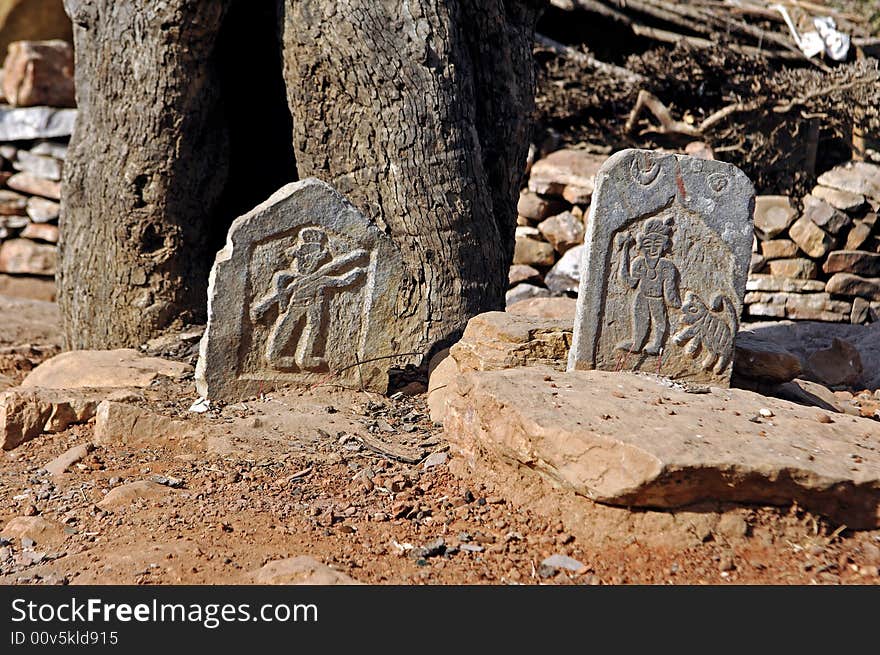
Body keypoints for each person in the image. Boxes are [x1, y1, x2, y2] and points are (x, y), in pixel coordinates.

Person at [250, 227, 367, 371]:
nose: (307, 263)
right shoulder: (290, 278)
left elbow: (339, 281)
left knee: (313, 328)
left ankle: (305, 357)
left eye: (312, 258)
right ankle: (274, 356)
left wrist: (355, 274)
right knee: (286, 326)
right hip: (296, 304)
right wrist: (279, 301)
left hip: (314, 305)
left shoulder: (321, 277)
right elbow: (280, 291)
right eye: (304, 259)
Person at [615, 215, 681, 356]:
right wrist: (625, 251)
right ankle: (637, 343)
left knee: (659, 321)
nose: (652, 249)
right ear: (641, 245)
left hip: (657, 298)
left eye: (657, 244)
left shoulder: (666, 266)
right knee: (640, 320)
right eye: (648, 244)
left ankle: (657, 345)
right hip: (642, 296)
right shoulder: (639, 263)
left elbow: (670, 291)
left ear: (664, 245)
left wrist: (677, 303)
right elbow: (629, 281)